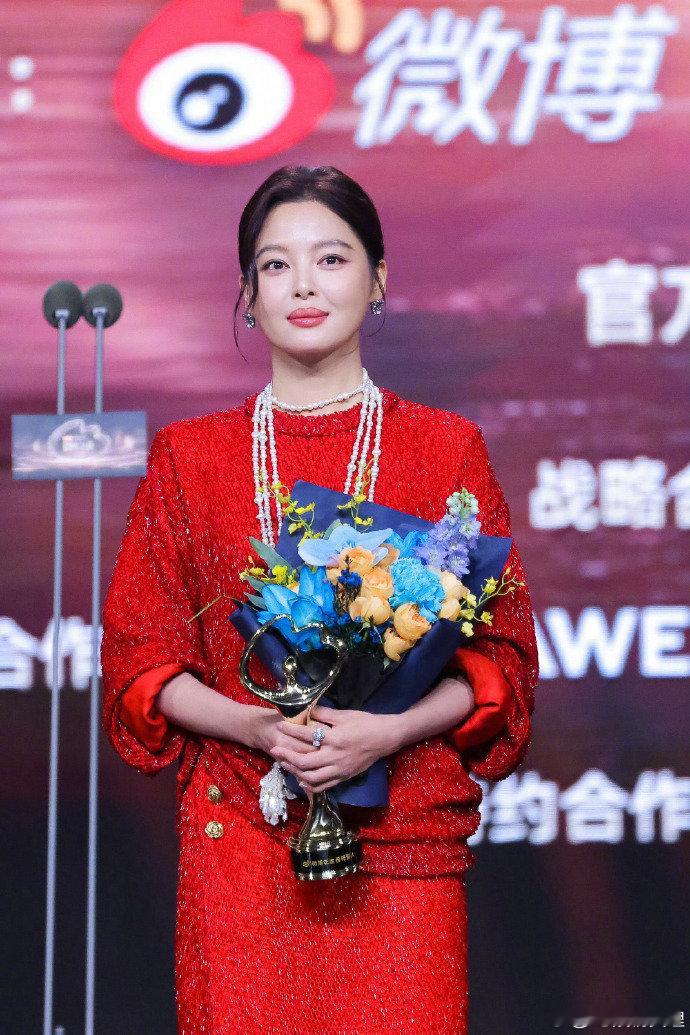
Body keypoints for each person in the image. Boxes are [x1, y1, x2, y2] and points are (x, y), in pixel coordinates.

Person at [100, 165, 538, 1034]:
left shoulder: (446, 448)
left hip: (401, 852)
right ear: (247, 295)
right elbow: (141, 663)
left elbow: (501, 667)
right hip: (242, 849)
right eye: (276, 265)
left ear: (378, 280)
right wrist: (259, 726)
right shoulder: (191, 458)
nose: (303, 284)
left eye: (331, 259)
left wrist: (386, 732)